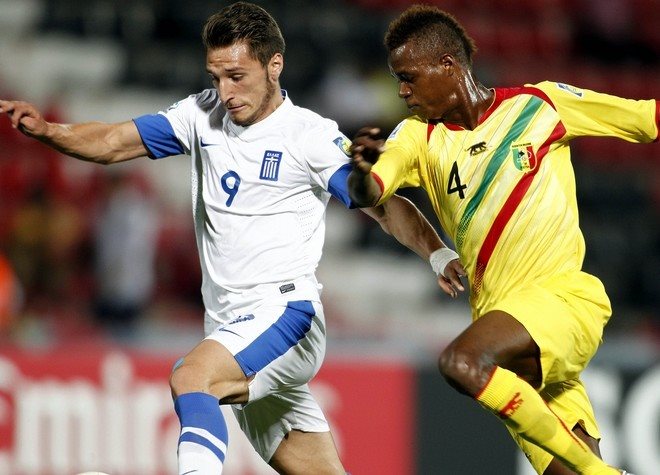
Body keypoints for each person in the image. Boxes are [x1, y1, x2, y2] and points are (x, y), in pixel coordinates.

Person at [0, 2, 465, 474]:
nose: (225, 92)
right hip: (229, 326)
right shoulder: (200, 114)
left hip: (286, 315)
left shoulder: (308, 136)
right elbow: (113, 141)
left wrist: (437, 254)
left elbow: (382, 206)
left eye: (237, 76)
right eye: (216, 77)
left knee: (193, 378)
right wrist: (48, 131)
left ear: (274, 65)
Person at [347, 5, 658, 475]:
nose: (402, 91)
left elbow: (647, 118)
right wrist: (361, 172)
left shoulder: (540, 106)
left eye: (408, 77)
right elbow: (371, 191)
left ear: (448, 65)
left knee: (460, 362)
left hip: (562, 302)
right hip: (502, 330)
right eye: (397, 80)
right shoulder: (417, 138)